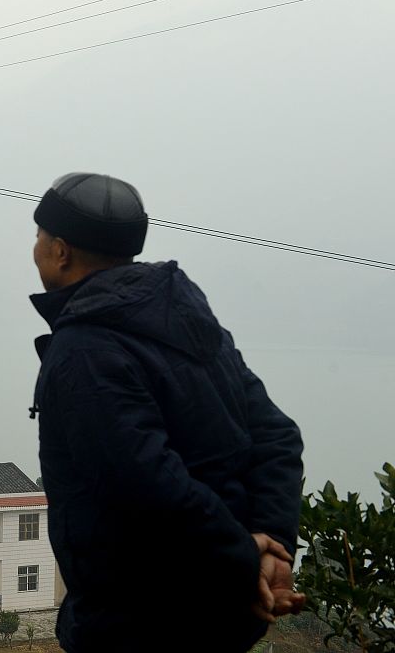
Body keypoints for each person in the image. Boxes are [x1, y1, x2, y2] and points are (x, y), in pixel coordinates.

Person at [28, 172, 305, 653]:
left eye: (39, 237)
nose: (35, 248)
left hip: (139, 624)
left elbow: (146, 484)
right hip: (222, 615)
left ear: (61, 251)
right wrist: (270, 543)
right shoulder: (187, 319)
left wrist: (247, 554)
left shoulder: (83, 351)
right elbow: (277, 436)